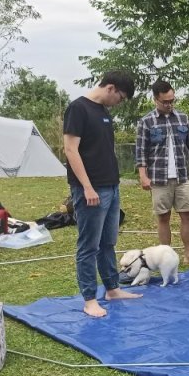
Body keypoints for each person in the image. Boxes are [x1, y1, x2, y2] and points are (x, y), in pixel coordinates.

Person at [63, 70, 142, 318]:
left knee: (108, 242)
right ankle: (89, 299)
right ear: (110, 88)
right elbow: (70, 149)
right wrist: (87, 187)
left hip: (111, 186)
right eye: (120, 97)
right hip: (91, 190)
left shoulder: (103, 113)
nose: (119, 102)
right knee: (89, 245)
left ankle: (112, 289)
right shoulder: (78, 109)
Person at [135, 80, 189, 265]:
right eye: (165, 102)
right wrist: (143, 176)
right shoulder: (146, 122)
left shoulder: (183, 118)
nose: (169, 104)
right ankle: (166, 258)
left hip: (182, 177)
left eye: (172, 100)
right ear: (155, 100)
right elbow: (141, 151)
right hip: (159, 178)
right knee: (163, 217)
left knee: (187, 214)